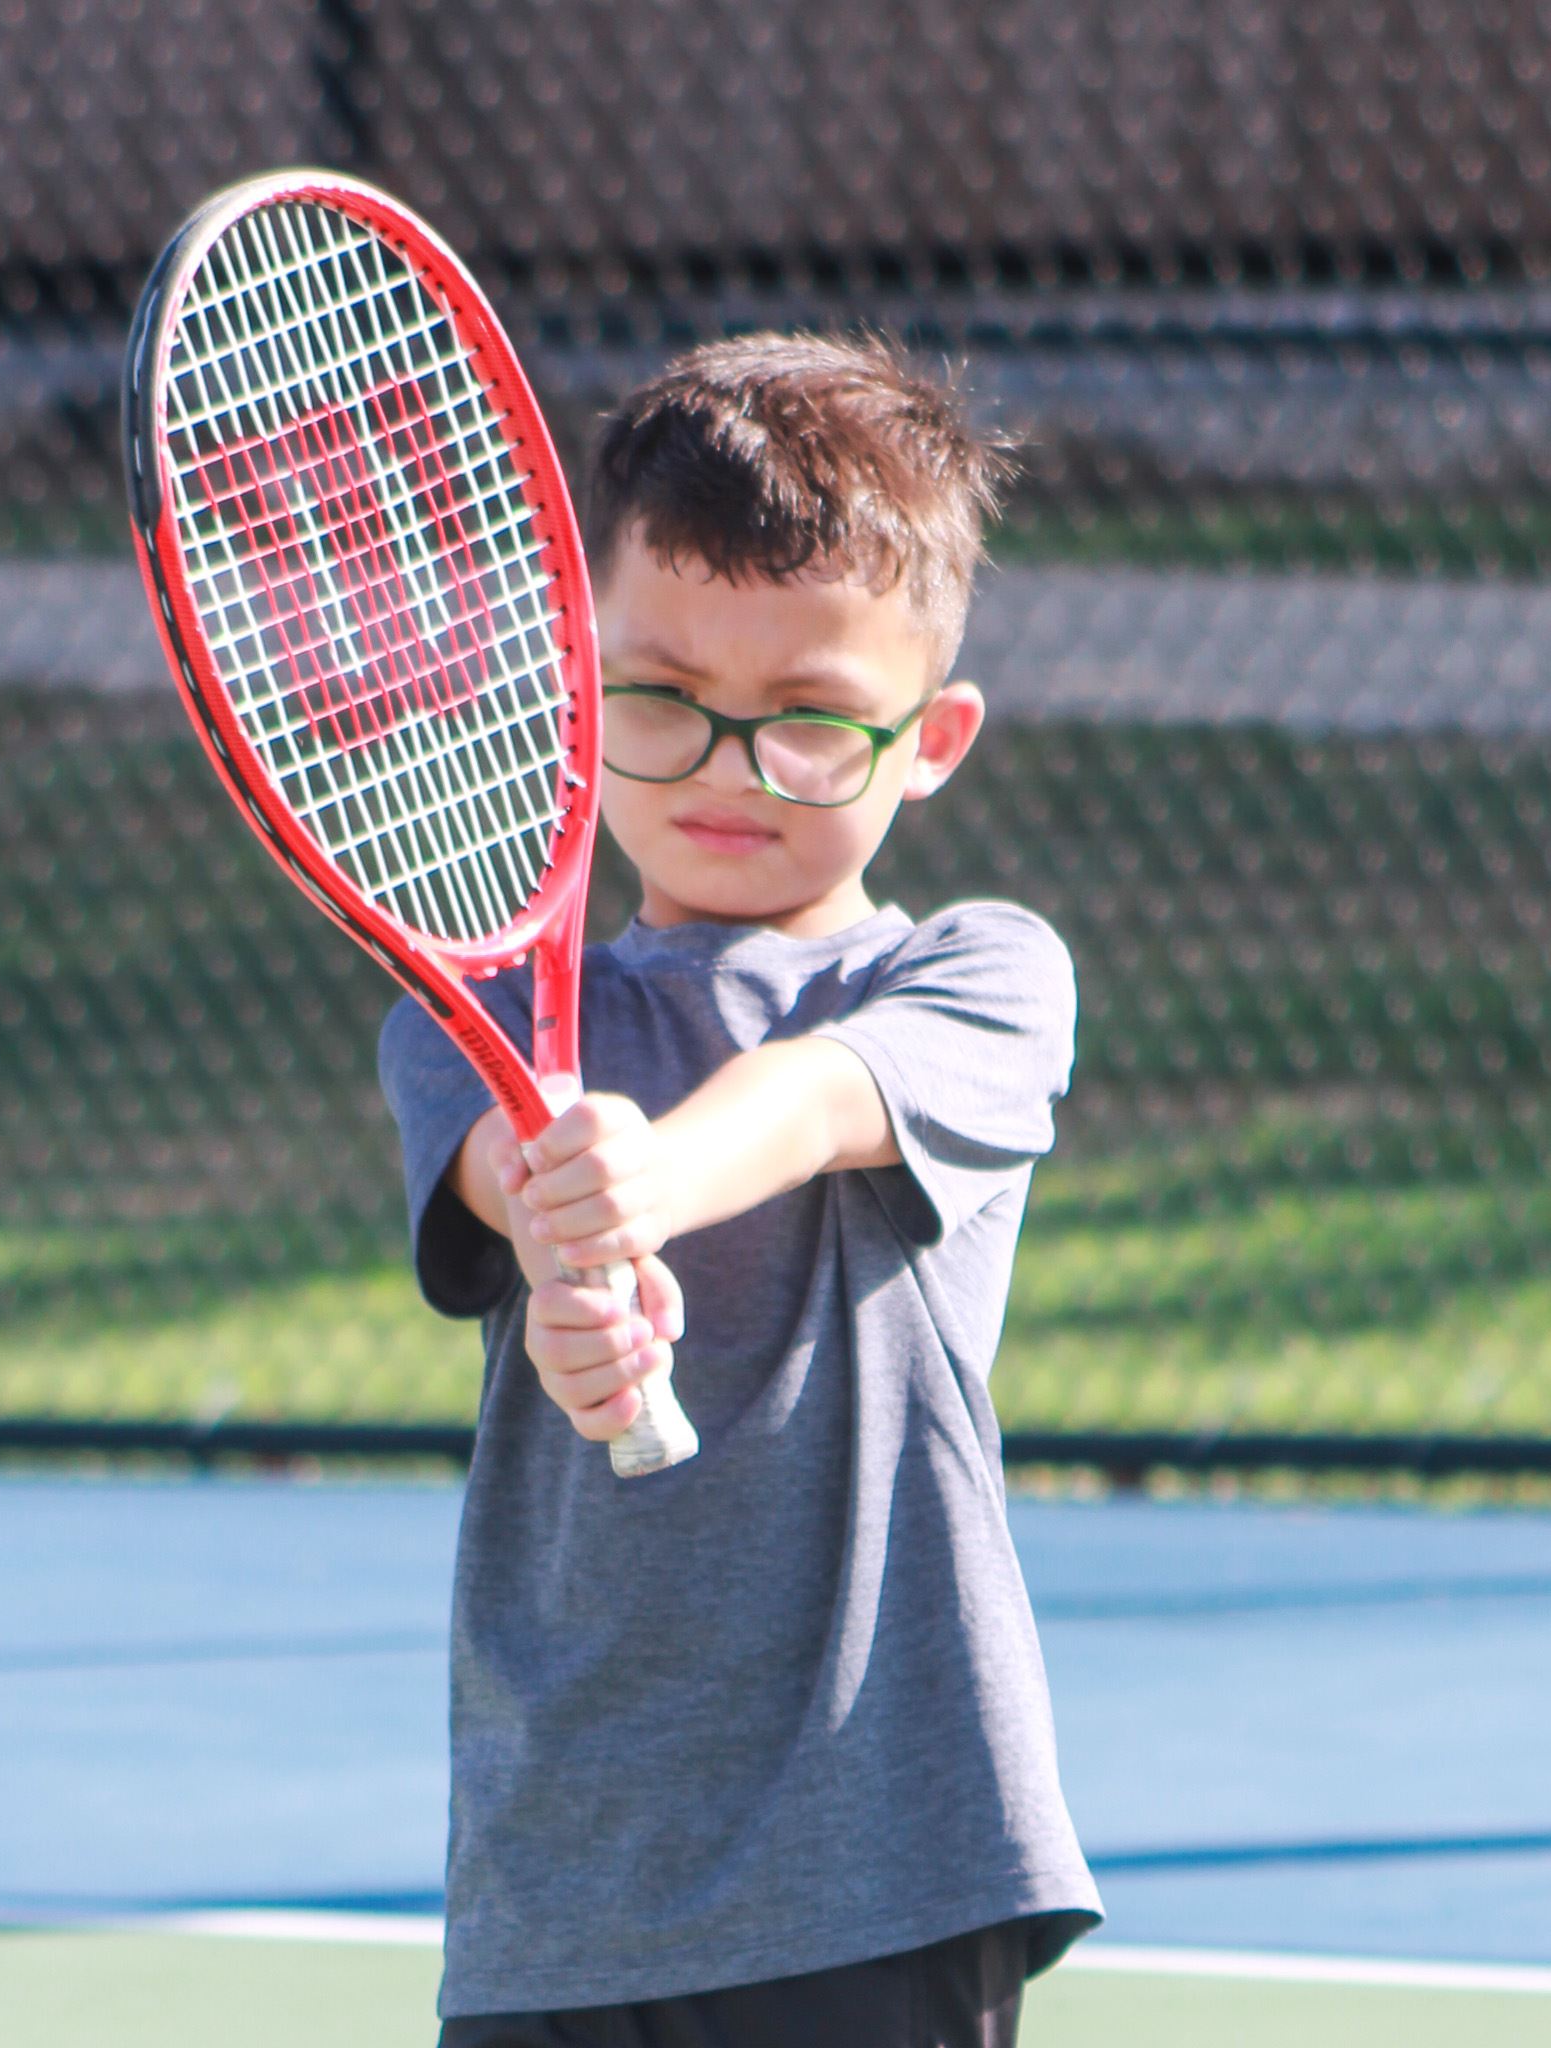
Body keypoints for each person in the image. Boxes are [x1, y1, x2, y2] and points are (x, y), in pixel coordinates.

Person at [378, 332, 1101, 2047]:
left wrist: (644, 1174)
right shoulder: (469, 1018)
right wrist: (572, 1276)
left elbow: (813, 1100)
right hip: (560, 1893)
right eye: (664, 698)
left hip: (885, 1864)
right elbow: (504, 1183)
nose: (726, 764)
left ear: (932, 740)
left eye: (810, 723)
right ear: (577, 685)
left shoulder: (983, 978)